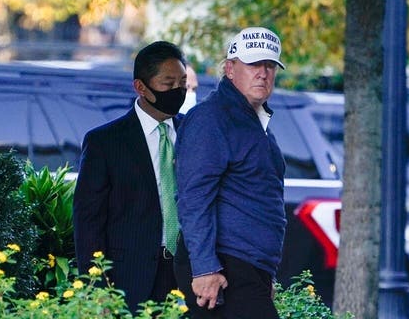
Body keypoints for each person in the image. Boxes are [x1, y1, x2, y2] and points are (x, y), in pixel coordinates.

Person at [174, 27, 287, 319]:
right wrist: (205, 268)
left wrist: (265, 274)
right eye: (253, 64)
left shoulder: (255, 121)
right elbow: (193, 197)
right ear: (230, 69)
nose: (263, 73)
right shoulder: (211, 118)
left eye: (270, 65)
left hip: (247, 268)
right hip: (224, 267)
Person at [73, 41, 187, 313]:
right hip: (129, 278)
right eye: (167, 83)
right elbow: (88, 220)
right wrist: (97, 288)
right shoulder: (105, 142)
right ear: (141, 87)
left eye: (182, 82)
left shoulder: (193, 132)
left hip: (188, 274)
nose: (177, 91)